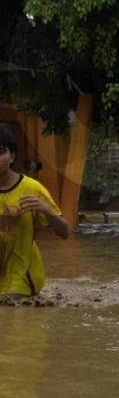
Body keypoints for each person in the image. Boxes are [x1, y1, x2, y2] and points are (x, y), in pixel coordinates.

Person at [0, 126, 71, 297]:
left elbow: (65, 233)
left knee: (10, 312)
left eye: (0, 152)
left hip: (21, 273)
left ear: (12, 157)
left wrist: (47, 211)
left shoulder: (32, 189)